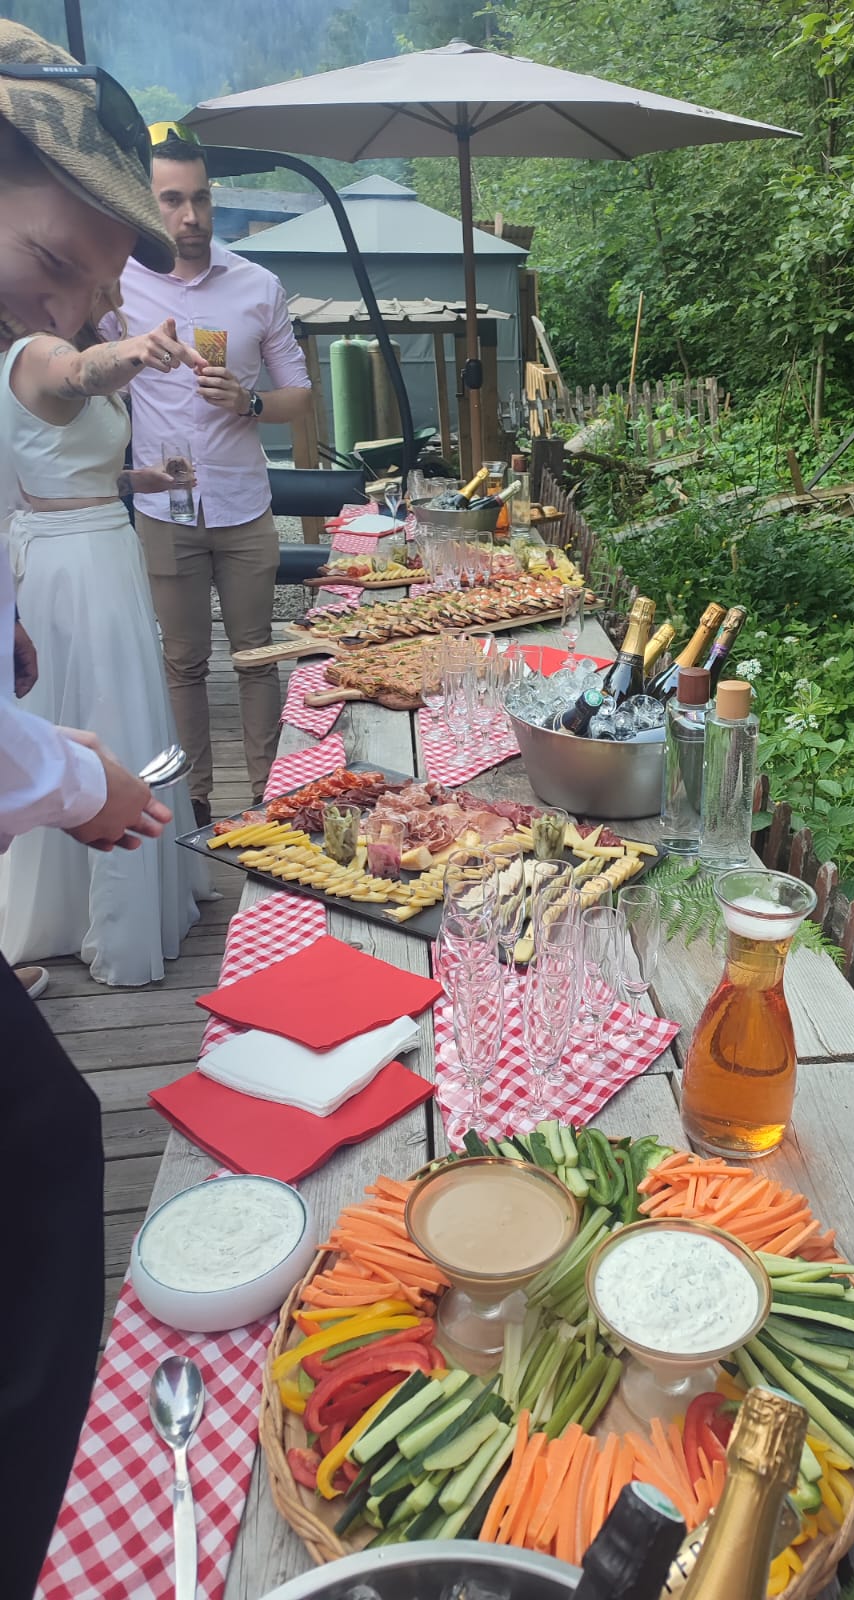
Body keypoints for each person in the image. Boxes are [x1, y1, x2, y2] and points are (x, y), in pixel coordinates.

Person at [0, 21, 178, 1596]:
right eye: (52, 258)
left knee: (48, 1140)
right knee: (49, 1150)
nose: (59, 307)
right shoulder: (34, 350)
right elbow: (54, 380)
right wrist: (68, 778)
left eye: (87, 285)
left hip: (78, 578)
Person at [0, 290, 207, 986]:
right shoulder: (39, 351)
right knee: (106, 710)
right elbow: (81, 373)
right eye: (104, 275)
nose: (115, 290)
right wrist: (137, 350)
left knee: (115, 702)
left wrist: (141, 479)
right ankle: (113, 919)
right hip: (73, 564)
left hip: (105, 547)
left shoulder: (72, 347)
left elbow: (66, 464)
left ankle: (80, 901)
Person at [113, 130, 312, 827]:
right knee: (183, 663)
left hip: (243, 502)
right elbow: (80, 377)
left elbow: (299, 396)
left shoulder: (258, 285)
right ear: (149, 204)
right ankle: (193, 805)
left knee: (257, 657)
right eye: (172, 200)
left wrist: (249, 401)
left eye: (200, 198)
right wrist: (131, 355)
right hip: (166, 508)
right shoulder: (118, 287)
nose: (190, 215)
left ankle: (271, 801)